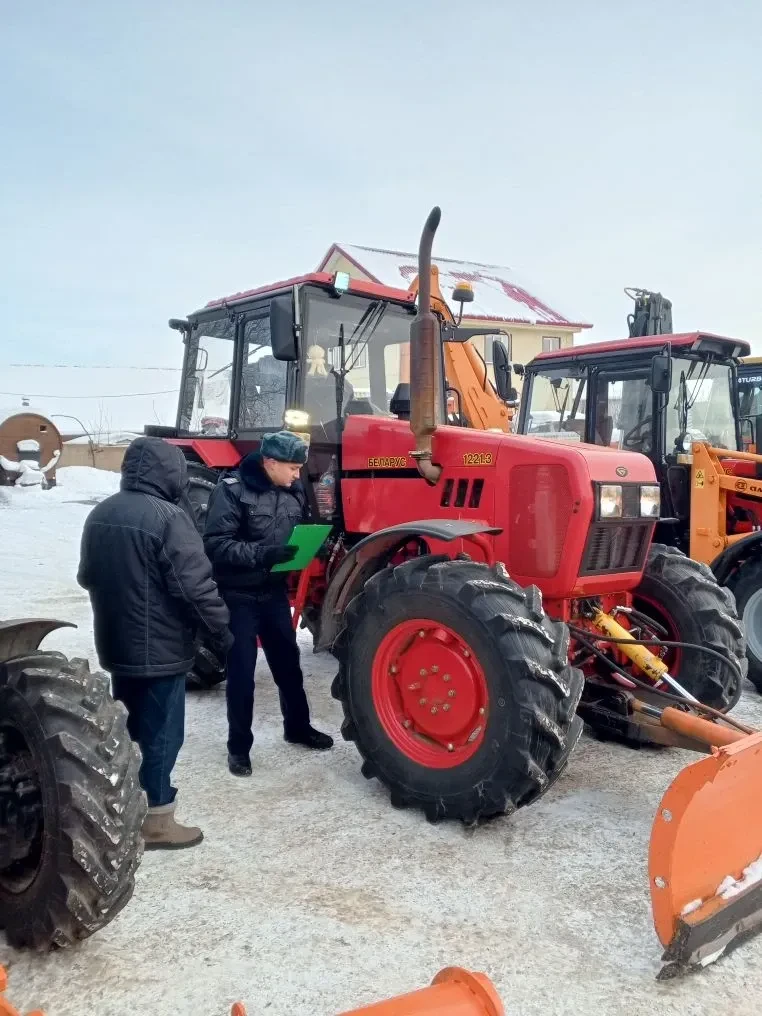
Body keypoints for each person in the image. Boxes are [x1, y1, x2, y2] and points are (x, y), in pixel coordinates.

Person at [77, 437, 233, 850]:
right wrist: (222, 630)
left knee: (125, 728)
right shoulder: (169, 518)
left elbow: (86, 576)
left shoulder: (101, 513)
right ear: (171, 473)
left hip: (116, 645)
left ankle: (120, 805)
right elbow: (194, 587)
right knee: (163, 735)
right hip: (162, 649)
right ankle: (158, 820)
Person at [203, 430, 333, 777]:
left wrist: (313, 545)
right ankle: (239, 749)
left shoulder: (293, 492)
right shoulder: (231, 491)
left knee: (289, 667)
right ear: (270, 462)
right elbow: (216, 545)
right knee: (242, 675)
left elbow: (298, 530)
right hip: (239, 597)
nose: (296, 474)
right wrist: (264, 555)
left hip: (273, 593)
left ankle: (298, 727)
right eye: (291, 467)